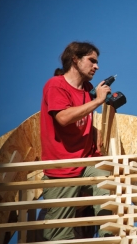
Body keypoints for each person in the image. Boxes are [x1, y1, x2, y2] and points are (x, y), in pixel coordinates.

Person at [40, 41, 113, 241]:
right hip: (61, 169)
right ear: (75, 59)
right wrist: (98, 101)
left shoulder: (87, 89)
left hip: (86, 162)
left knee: (106, 179)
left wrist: (95, 131)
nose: (96, 66)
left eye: (97, 62)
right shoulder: (55, 85)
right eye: (91, 61)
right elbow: (63, 118)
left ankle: (109, 238)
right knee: (58, 235)